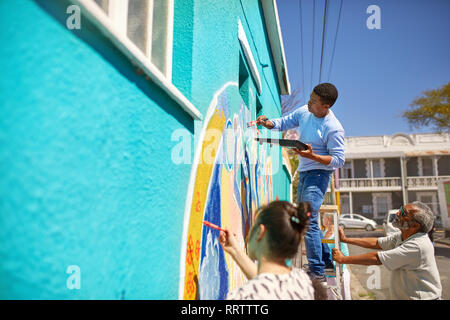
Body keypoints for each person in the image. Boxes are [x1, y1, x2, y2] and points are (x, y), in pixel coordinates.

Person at [256, 83, 345, 282]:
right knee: (304, 218)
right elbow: (285, 121)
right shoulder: (305, 111)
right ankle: (325, 259)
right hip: (305, 171)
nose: (308, 103)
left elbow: (339, 160)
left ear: (326, 106)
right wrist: (268, 123)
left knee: (308, 219)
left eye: (314, 102)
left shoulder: (333, 128)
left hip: (319, 175)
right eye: (310, 98)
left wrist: (313, 156)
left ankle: (317, 272)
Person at [332, 201, 442, 300]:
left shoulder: (418, 245)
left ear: (414, 225)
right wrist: (346, 239)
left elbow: (377, 258)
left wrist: (343, 259)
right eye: (400, 209)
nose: (398, 214)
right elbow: (377, 243)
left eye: (403, 213)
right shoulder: (403, 235)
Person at [219, 201, 327, 300]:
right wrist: (235, 251)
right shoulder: (302, 281)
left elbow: (262, 286)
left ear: (260, 232)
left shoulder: (243, 296)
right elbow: (267, 284)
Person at [322, 213, 351, 300]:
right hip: (328, 273)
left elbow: (346, 255)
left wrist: (336, 257)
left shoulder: (337, 234)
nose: (322, 220)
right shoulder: (324, 233)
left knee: (345, 297)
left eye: (323, 218)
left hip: (339, 273)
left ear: (329, 219)